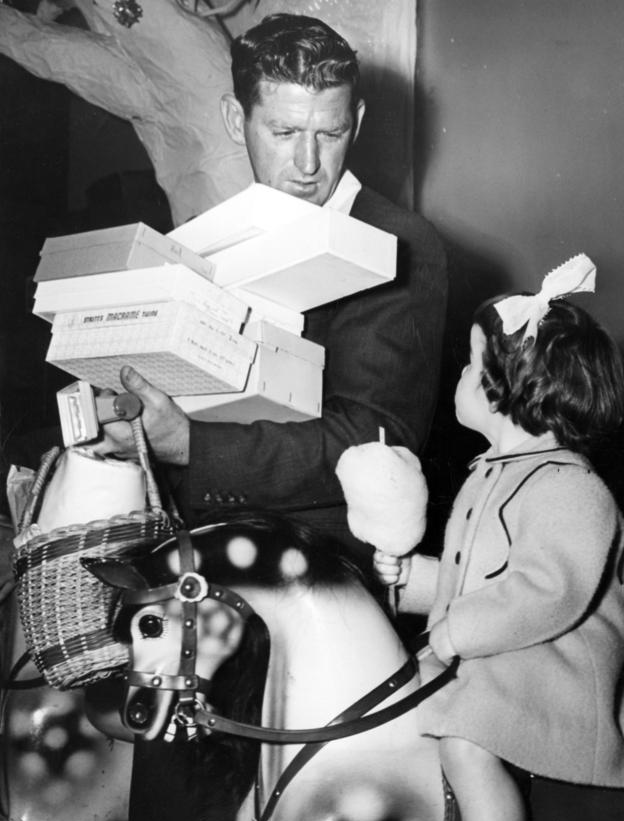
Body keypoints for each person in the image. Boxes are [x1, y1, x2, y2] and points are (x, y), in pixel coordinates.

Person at [374, 255, 624, 821]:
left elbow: (545, 592)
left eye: (471, 364)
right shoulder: (493, 472)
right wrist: (412, 582)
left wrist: (457, 630)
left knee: (466, 733)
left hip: (562, 667)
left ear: (509, 389)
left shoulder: (568, 484)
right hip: (510, 649)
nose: (460, 378)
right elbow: (476, 586)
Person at [91, 13, 447, 573]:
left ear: (356, 121)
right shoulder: (216, 234)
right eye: (284, 133)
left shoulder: (398, 243)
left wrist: (192, 446)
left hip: (323, 565)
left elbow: (376, 438)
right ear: (237, 120)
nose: (308, 165)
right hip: (201, 541)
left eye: (330, 134)